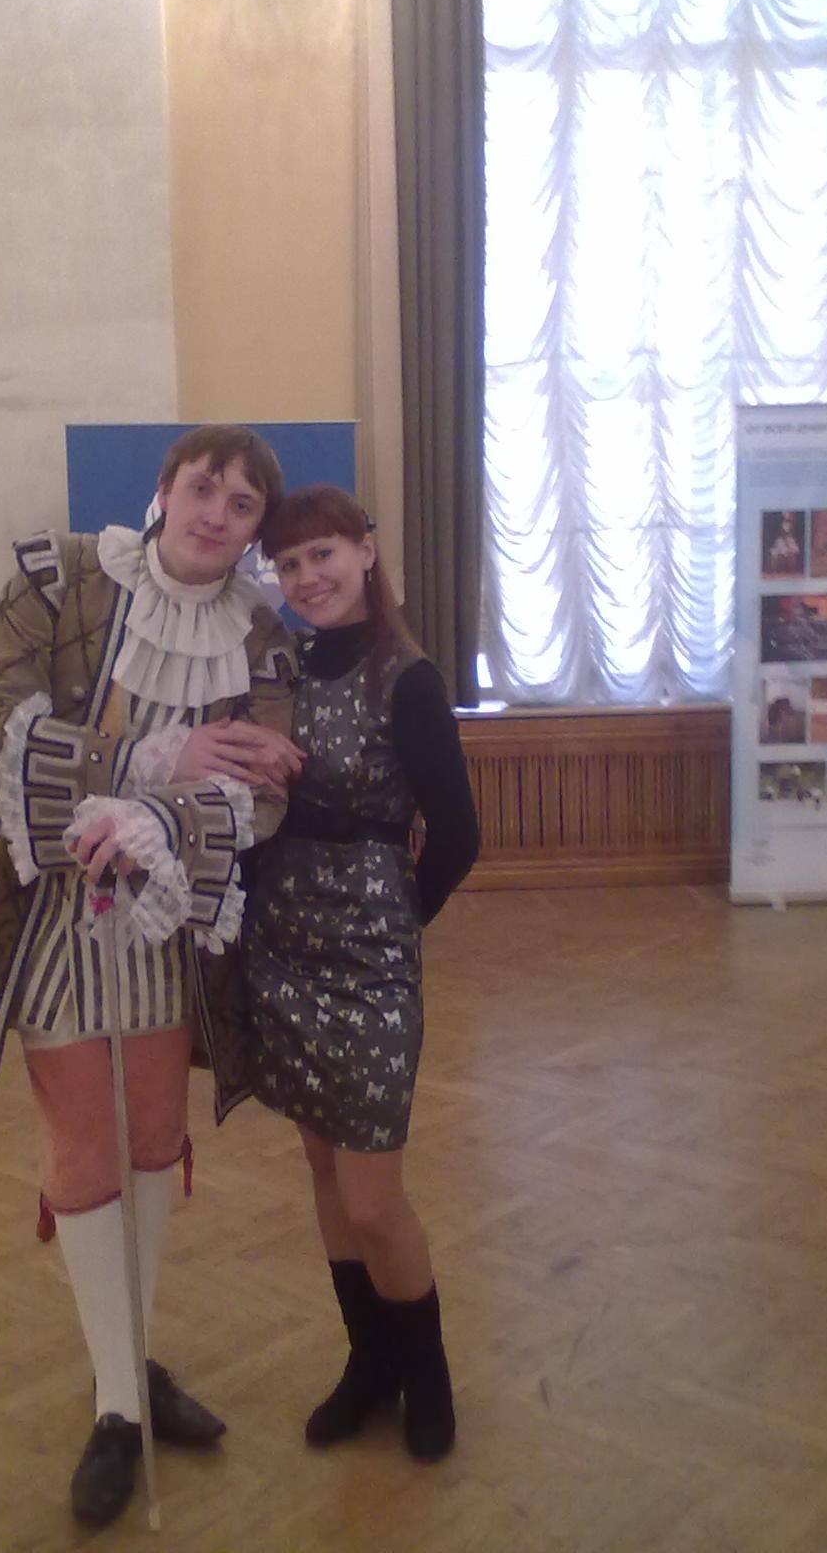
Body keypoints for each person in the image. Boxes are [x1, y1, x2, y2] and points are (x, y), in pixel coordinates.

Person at [0, 425, 301, 1528]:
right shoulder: (61, 578)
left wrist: (160, 818)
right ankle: (120, 1402)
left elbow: (262, 791)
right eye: (204, 487)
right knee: (84, 1145)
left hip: (167, 910)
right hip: (52, 902)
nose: (217, 513)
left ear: (255, 530)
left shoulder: (261, 634)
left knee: (157, 1137)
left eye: (243, 504)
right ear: (164, 489)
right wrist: (152, 759)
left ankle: (128, 1362)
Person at [242, 484, 480, 1464]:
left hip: (370, 961)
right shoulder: (283, 669)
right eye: (290, 563)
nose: (309, 577)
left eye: (325, 553)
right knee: (325, 1171)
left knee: (375, 1197)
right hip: (283, 946)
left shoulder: (407, 678)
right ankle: (369, 1365)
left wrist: (396, 922)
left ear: (367, 551)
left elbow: (458, 835)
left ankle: (429, 1378)